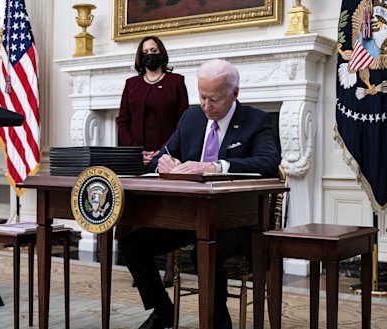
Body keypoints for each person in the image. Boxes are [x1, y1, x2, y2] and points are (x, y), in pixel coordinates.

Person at [120, 59, 280, 329]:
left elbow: (268, 163)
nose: (206, 105)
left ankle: (219, 322)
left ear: (235, 93)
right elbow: (159, 156)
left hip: (237, 221)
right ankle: (163, 310)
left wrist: (216, 166)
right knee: (131, 244)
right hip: (191, 216)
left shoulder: (256, 120)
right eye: (202, 96)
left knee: (206, 252)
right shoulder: (192, 117)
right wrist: (162, 162)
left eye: (214, 99)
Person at [117, 35, 189, 287]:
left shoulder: (176, 82)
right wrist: (135, 150)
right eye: (146, 51)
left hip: (169, 158)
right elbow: (122, 121)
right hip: (136, 158)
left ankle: (170, 268)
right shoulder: (131, 84)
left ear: (162, 53)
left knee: (167, 211)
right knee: (138, 210)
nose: (150, 54)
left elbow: (184, 122)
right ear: (140, 56)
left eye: (154, 50)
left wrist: (162, 152)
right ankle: (142, 270)